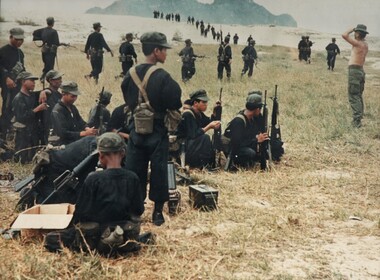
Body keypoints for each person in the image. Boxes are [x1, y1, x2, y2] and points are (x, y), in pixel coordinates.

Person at [121, 32, 182, 226]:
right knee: (159, 170)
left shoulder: (129, 74)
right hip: (157, 129)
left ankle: (135, 212)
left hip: (136, 129)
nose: (166, 53)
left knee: (134, 169)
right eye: (164, 49)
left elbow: (127, 97)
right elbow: (175, 99)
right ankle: (157, 213)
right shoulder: (163, 76)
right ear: (156, 51)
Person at [176, 90, 221, 168]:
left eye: (206, 102)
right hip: (182, 148)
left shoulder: (199, 114)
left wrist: (215, 112)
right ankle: (204, 166)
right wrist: (208, 127)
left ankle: (208, 165)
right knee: (205, 138)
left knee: (205, 138)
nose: (206, 104)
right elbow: (193, 135)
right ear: (195, 103)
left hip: (190, 146)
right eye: (203, 102)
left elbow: (209, 122)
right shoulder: (188, 114)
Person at [224, 92, 269, 168]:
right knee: (250, 153)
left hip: (242, 145)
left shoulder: (252, 119)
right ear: (257, 109)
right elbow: (236, 144)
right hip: (233, 149)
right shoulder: (239, 121)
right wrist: (256, 140)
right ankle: (236, 164)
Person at [12, 72, 48, 163]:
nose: (34, 83)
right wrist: (37, 109)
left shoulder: (32, 95)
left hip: (33, 132)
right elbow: (21, 118)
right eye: (31, 81)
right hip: (24, 134)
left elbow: (47, 91)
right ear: (23, 82)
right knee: (23, 159)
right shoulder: (18, 98)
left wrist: (43, 92)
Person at [0, 27, 26, 141]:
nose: (19, 42)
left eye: (21, 39)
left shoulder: (20, 53)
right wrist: (6, 78)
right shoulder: (3, 50)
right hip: (7, 86)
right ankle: (2, 135)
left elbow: (22, 68)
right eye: (17, 39)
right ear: (10, 37)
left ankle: (11, 131)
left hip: (18, 86)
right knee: (6, 109)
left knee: (16, 109)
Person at [342, 24, 369, 128]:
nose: (354, 34)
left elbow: (344, 35)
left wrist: (352, 29)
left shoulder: (358, 44)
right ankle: (359, 117)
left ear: (358, 33)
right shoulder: (365, 45)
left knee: (353, 95)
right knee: (358, 95)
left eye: (356, 32)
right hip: (360, 70)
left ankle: (357, 121)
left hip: (354, 70)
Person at [38, 69, 63, 144]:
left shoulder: (59, 94)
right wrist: (43, 91)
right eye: (58, 79)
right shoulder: (46, 94)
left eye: (60, 78)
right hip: (49, 129)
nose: (61, 81)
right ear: (51, 81)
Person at [40, 17, 61, 82]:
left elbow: (36, 34)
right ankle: (46, 78)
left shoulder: (43, 30)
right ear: (53, 23)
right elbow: (56, 43)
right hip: (51, 52)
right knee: (50, 67)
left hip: (44, 50)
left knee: (46, 64)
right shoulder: (54, 31)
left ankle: (44, 77)